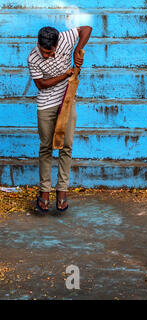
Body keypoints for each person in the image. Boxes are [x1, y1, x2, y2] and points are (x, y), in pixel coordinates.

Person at [27, 25, 92, 213]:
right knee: (46, 146)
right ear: (38, 44)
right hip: (46, 104)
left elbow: (86, 29)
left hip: (67, 99)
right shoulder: (33, 57)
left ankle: (62, 190)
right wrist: (64, 74)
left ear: (57, 44)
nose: (46, 55)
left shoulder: (64, 38)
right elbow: (41, 85)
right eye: (43, 51)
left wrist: (77, 50)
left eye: (50, 51)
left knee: (66, 145)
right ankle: (45, 191)